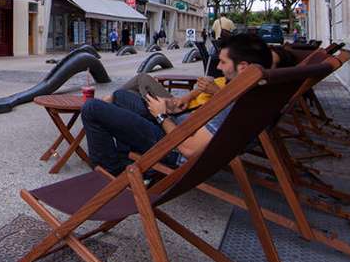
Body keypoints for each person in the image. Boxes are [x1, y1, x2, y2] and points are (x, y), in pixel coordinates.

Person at [80, 33, 273, 177]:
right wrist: (172, 108)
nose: (219, 68)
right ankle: (125, 156)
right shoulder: (254, 95)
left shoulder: (237, 104)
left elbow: (188, 149)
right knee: (122, 96)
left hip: (172, 146)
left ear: (244, 67)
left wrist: (161, 115)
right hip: (178, 127)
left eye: (223, 62)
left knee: (92, 108)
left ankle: (112, 172)